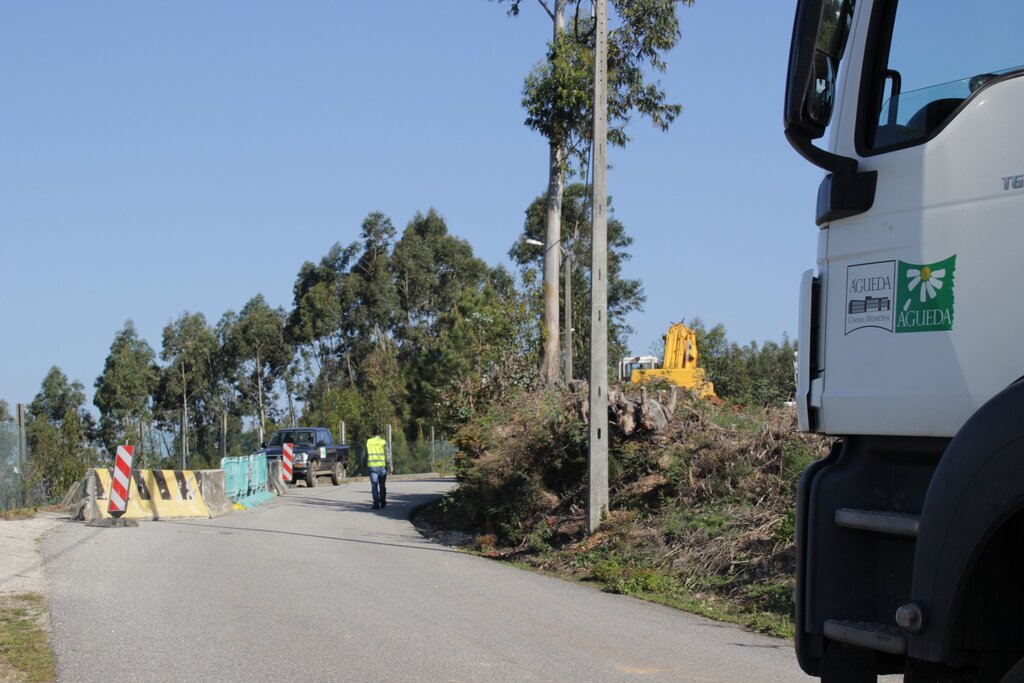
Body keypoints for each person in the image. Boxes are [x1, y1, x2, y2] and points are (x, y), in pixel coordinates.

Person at [365, 432, 393, 509]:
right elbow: (388, 455)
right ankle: (383, 502)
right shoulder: (383, 442)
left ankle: (376, 503)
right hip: (382, 467)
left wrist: (363, 463)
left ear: (373, 434)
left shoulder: (369, 441)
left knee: (374, 485)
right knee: (382, 485)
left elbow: (364, 454)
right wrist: (390, 466)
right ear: (380, 434)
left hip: (372, 467)